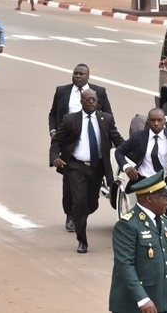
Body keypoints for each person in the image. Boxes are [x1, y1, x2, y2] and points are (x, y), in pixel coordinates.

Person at [50, 89, 124, 253]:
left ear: (98, 102)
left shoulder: (106, 119)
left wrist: (135, 155)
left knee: (92, 203)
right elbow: (57, 141)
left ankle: (80, 215)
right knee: (79, 201)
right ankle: (82, 240)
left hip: (97, 168)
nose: (91, 102)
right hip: (76, 166)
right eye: (87, 100)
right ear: (81, 102)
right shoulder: (71, 120)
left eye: (94, 100)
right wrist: (55, 157)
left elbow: (118, 141)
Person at [48, 64, 113, 232]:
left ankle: (82, 211)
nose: (77, 76)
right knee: (69, 180)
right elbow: (53, 113)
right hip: (69, 143)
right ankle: (71, 215)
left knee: (92, 193)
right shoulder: (62, 91)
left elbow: (108, 116)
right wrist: (54, 131)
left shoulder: (99, 92)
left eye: (81, 74)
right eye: (75, 73)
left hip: (91, 141)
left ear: (88, 76)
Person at [108, 170, 167, 313]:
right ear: (149, 198)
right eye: (163, 196)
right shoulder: (128, 225)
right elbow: (125, 265)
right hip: (135, 304)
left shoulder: (163, 221)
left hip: (161, 299)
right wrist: (142, 299)